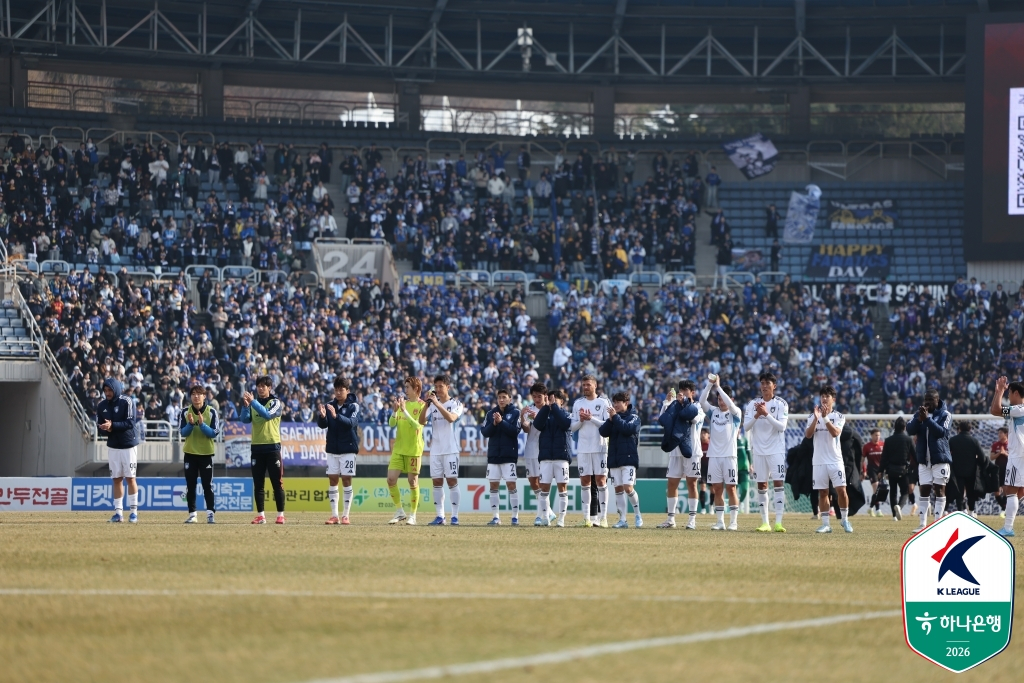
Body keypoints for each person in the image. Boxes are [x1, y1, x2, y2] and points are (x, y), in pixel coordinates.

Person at [743, 371, 790, 533]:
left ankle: (778, 522)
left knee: (778, 484)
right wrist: (758, 414)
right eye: (762, 383)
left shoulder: (782, 404)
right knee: (761, 485)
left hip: (776, 451)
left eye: (767, 383)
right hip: (759, 451)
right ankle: (765, 523)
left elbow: (782, 427)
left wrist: (766, 414)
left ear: (774, 386)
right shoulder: (752, 404)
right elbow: (746, 427)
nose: (764, 386)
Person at [805, 385, 853, 534]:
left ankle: (844, 519)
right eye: (822, 396)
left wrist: (825, 418)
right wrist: (816, 419)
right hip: (819, 461)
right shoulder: (812, 416)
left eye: (827, 396)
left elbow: (835, 433)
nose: (824, 399)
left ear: (833, 399)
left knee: (841, 491)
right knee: (823, 493)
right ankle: (826, 524)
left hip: (835, 460)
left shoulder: (839, 416)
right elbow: (808, 435)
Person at [656, 380, 703, 529]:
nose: (682, 393)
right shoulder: (675, 405)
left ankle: (692, 520)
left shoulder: (697, 407)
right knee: (671, 483)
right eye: (680, 390)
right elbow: (662, 420)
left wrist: (683, 404)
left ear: (692, 393)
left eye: (686, 390)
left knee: (692, 483)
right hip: (676, 450)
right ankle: (671, 519)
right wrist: (667, 402)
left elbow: (693, 419)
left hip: (693, 451)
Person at [419, 374, 464, 526]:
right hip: (435, 449)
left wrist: (437, 404)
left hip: (451, 449)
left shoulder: (456, 403)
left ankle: (455, 516)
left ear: (448, 387)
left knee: (451, 481)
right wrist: (427, 404)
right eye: (436, 387)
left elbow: (451, 418)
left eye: (441, 387)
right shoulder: (432, 404)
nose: (437, 389)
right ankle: (440, 516)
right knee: (437, 482)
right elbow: (421, 421)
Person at [241, 376, 286, 525]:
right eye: (258, 386)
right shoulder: (254, 404)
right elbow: (245, 420)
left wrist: (253, 402)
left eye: (263, 386)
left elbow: (267, 415)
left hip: (272, 447)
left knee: (276, 483)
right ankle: (261, 515)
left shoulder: (275, 402)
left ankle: (280, 515)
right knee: (258, 483)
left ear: (269, 388)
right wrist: (246, 406)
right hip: (257, 447)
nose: (260, 388)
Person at [907, 388, 953, 532]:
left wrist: (926, 419)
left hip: (940, 459)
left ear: (937, 400)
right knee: (924, 490)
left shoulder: (946, 414)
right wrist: (918, 420)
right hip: (924, 460)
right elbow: (909, 430)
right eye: (925, 400)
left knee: (939, 490)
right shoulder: (919, 414)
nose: (927, 403)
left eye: (930, 400)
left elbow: (941, 432)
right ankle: (922, 524)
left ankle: (937, 524)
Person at [699, 377, 742, 531]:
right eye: (718, 399)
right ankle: (720, 521)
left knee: (731, 488)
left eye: (723, 399)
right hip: (714, 457)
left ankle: (734, 522)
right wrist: (710, 385)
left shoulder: (736, 413)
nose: (721, 402)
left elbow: (730, 404)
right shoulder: (713, 412)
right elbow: (702, 400)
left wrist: (719, 387)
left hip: (730, 457)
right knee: (717, 489)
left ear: (730, 399)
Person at [570, 374, 612, 527]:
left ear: (595, 385)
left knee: (601, 481)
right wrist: (581, 420)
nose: (585, 387)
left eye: (588, 385)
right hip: (583, 449)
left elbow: (607, 424)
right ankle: (587, 518)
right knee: (585, 482)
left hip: (600, 448)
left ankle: (603, 518)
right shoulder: (577, 404)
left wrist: (590, 418)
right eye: (584, 385)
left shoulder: (603, 402)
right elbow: (572, 427)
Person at [318, 377, 360, 526]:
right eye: (336, 389)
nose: (338, 392)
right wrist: (322, 417)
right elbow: (323, 425)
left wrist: (336, 416)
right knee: (333, 480)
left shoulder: (354, 406)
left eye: (341, 389)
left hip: (348, 448)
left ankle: (346, 515)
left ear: (347, 391)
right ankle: (334, 515)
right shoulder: (329, 405)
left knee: (346, 480)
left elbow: (351, 423)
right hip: (332, 449)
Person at [97, 377, 141, 523]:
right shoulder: (101, 405)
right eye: (105, 390)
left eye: (110, 390)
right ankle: (118, 513)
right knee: (116, 479)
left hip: (128, 444)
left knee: (130, 478)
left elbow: (130, 422)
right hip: (113, 446)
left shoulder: (126, 401)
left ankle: (134, 513)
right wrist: (105, 429)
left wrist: (112, 425)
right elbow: (101, 426)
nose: (107, 393)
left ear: (116, 389)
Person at [179, 384, 221, 524]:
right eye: (193, 394)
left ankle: (210, 514)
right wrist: (190, 424)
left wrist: (202, 425)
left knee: (207, 485)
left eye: (199, 394)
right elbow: (183, 433)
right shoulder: (185, 412)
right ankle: (192, 514)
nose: (196, 396)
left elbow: (214, 433)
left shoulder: (212, 412)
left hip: (206, 454)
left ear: (204, 396)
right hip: (190, 453)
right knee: (190, 485)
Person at [386, 377, 426, 525]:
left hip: (414, 449)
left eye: (408, 387)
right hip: (399, 448)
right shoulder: (404, 404)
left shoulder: (422, 406)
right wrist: (394, 411)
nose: (406, 390)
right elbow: (391, 424)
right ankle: (399, 511)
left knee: (412, 481)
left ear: (416, 389)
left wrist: (405, 411)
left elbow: (417, 426)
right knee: (390, 479)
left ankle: (413, 515)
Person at [600, 391, 642, 529]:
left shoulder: (634, 417)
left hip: (629, 458)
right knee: (618, 489)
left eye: (618, 402)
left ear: (626, 403)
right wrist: (611, 419)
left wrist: (615, 418)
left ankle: (637, 515)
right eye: (614, 402)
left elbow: (627, 429)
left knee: (628, 488)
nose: (615, 405)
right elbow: (603, 432)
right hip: (614, 458)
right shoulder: (614, 418)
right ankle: (622, 519)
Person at [480, 388, 522, 526]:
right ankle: (496, 517)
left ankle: (515, 517)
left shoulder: (516, 412)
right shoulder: (490, 413)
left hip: (509, 455)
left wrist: (502, 422)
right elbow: (485, 432)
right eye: (499, 397)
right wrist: (494, 423)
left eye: (504, 397)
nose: (501, 399)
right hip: (493, 456)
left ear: (510, 398)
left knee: (511, 485)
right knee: (493, 486)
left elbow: (515, 431)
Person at [990, 376, 1024, 537]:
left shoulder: (1019, 409)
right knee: (1018, 493)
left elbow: (995, 410)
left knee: (1010, 491)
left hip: (1018, 456)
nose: (1008, 397)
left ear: (1016, 393)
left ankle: (1008, 528)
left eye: (1009, 393)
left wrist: (999, 391)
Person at [534, 388, 572, 527]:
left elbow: (565, 424)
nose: (551, 401)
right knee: (544, 488)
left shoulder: (567, 414)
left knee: (562, 488)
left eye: (554, 399)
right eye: (549, 399)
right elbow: (537, 425)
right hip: (545, 457)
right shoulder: (544, 414)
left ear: (561, 401)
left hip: (561, 456)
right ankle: (545, 517)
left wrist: (554, 407)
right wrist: (546, 408)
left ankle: (561, 519)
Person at [521, 382, 555, 525]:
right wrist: (523, 418)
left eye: (539, 396)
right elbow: (527, 429)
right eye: (534, 396)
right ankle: (549, 512)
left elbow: (551, 427)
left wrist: (539, 418)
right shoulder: (529, 410)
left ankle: (541, 514)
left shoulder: (551, 410)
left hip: (545, 449)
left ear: (545, 396)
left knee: (543, 482)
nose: (536, 399)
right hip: (530, 448)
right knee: (533, 482)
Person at [880, 417, 915, 521]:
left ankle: (894, 515)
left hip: (891, 470)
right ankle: (899, 506)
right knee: (904, 492)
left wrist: (880, 470)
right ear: (904, 427)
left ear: (894, 427)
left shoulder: (888, 440)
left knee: (893, 492)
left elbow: (884, 457)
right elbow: (915, 455)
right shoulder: (909, 440)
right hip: (904, 469)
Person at [948, 421, 985, 517]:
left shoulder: (952, 440)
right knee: (970, 493)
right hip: (971, 472)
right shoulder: (974, 441)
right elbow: (982, 458)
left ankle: (960, 511)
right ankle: (971, 512)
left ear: (959, 428)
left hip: (957, 471)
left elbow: (947, 455)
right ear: (970, 429)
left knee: (959, 493)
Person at [862, 428, 884, 516]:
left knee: (878, 490)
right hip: (871, 470)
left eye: (878, 435)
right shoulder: (867, 446)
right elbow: (862, 460)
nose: (877, 437)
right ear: (871, 436)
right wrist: (863, 471)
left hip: (881, 470)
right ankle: (878, 510)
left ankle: (871, 508)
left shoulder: (883, 445)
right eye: (875, 435)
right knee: (876, 487)